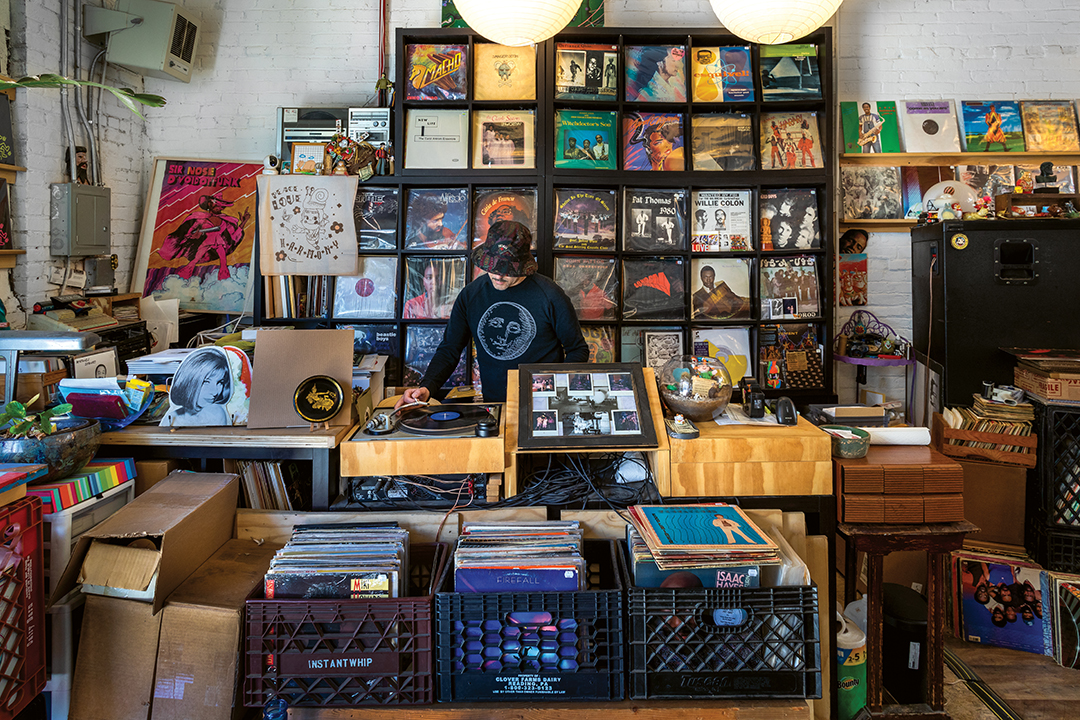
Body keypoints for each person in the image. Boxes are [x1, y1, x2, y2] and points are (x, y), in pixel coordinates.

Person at [395, 221, 588, 406]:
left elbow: (578, 350)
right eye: (492, 267)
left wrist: (558, 393)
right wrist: (427, 387)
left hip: (543, 405)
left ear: (523, 265)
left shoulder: (550, 295)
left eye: (506, 270)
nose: (497, 275)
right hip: (495, 403)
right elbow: (450, 349)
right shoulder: (471, 296)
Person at [158, 191, 249, 281]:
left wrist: (243, 223)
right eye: (215, 205)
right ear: (209, 205)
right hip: (203, 246)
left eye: (219, 206)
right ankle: (185, 274)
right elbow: (188, 233)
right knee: (195, 259)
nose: (218, 208)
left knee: (220, 251)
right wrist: (195, 235)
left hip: (218, 247)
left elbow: (233, 237)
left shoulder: (226, 221)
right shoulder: (199, 218)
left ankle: (223, 276)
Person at [160, 348, 232, 427]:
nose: (215, 392)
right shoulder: (170, 418)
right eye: (206, 382)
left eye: (220, 382)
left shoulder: (216, 413)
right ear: (189, 381)